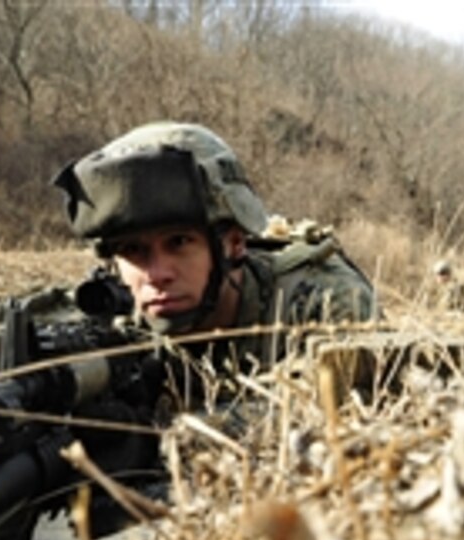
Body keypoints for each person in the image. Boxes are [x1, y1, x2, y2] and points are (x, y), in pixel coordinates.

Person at [52, 121, 377, 374]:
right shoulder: (111, 315)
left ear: (234, 243)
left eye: (178, 242)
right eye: (132, 250)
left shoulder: (320, 302)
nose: (156, 274)